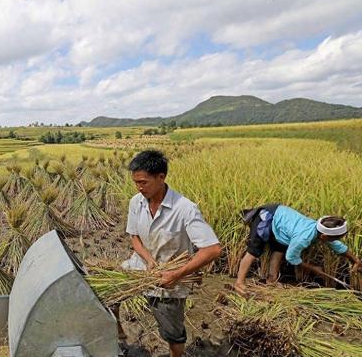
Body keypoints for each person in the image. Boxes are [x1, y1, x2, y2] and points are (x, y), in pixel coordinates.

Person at [122, 150, 222, 357]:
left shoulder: (185, 209)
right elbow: (134, 237)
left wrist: (176, 275)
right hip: (141, 266)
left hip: (170, 280)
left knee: (172, 332)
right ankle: (119, 334)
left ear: (161, 177)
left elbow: (212, 249)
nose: (139, 187)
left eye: (143, 182)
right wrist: (148, 260)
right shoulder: (136, 202)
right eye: (136, 182)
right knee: (106, 293)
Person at [234, 204, 362, 296]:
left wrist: (355, 260)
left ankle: (271, 280)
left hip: (281, 222)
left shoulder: (320, 229)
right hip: (266, 218)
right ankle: (239, 283)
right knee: (253, 251)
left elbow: (337, 245)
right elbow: (292, 258)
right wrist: (313, 268)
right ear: (323, 236)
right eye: (334, 238)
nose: (335, 241)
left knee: (280, 248)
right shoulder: (303, 238)